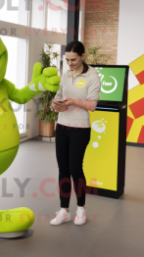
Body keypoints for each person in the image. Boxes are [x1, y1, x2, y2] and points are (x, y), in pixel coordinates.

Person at [49, 40, 101, 226]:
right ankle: (64, 211)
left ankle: (81, 210)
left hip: (80, 129)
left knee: (75, 169)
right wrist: (54, 104)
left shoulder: (92, 77)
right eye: (67, 60)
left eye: (73, 59)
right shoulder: (66, 74)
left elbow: (92, 106)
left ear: (82, 56)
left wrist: (72, 102)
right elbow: (59, 95)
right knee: (62, 169)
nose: (70, 63)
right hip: (62, 126)